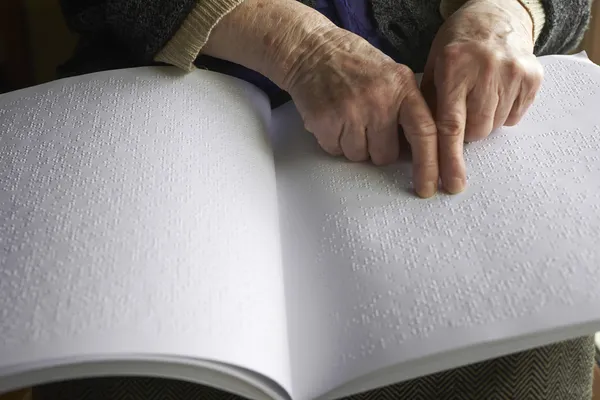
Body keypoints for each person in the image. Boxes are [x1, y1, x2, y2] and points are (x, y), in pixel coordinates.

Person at [35, 0, 594, 399]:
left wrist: (507, 14)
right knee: (144, 359)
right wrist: (298, 45)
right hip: (166, 109)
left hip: (438, 107)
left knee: (520, 356)